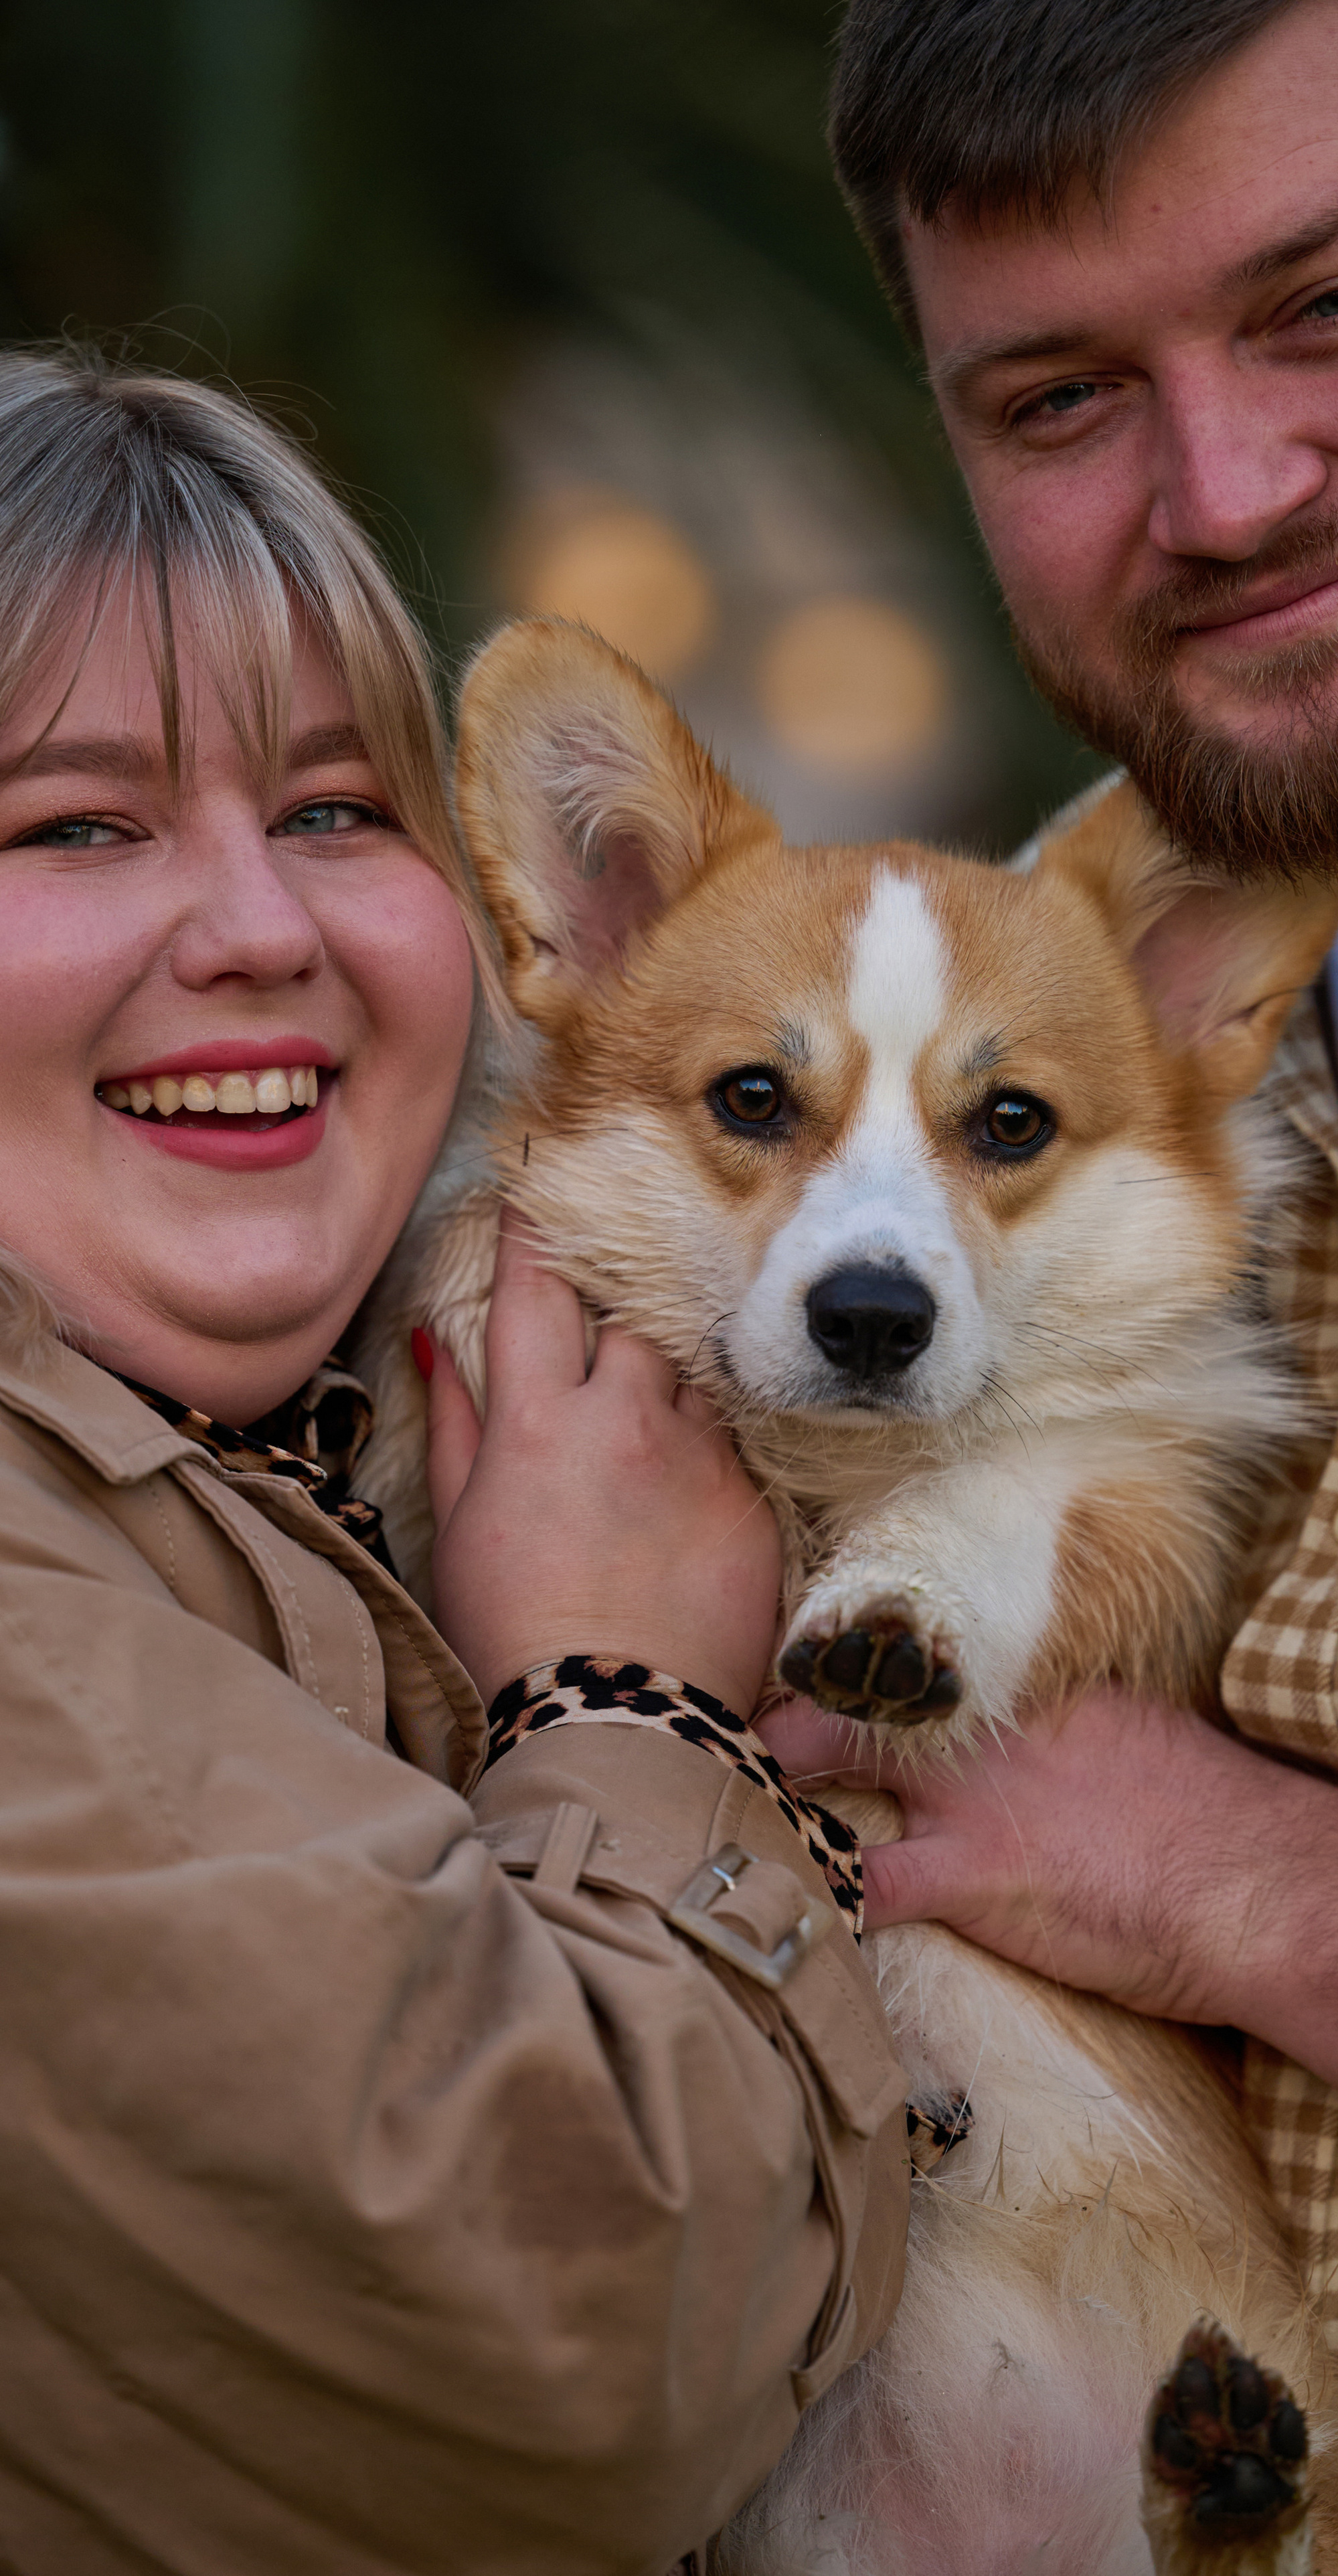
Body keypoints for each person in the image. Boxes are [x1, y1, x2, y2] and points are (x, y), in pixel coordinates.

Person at [762, 0, 1338, 2565]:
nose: (1226, 492)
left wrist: (1252, 1892)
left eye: (1329, 305)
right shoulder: (994, 1030)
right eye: (1059, 399)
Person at [0, 347, 906, 2576]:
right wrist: (625, 1694)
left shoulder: (339, 1440)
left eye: (336, 810)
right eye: (75, 826)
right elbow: (576, 2343)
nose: (263, 929)